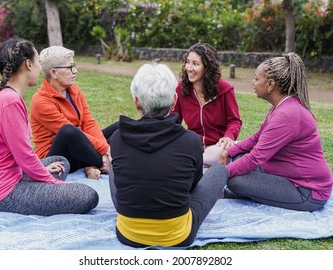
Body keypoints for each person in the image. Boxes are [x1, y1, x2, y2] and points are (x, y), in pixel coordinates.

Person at [109, 63, 228, 248]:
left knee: (114, 165)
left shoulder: (117, 138)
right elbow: (193, 186)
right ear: (174, 101)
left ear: (136, 102)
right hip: (177, 235)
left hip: (128, 233)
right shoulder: (191, 141)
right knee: (220, 170)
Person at [0, 38, 99, 216]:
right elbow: (24, 155)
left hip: (8, 174)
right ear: (28, 64)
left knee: (61, 163)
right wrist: (56, 184)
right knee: (88, 195)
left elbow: (21, 156)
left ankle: (40, 182)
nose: (40, 69)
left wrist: (42, 170)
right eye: (38, 62)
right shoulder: (9, 101)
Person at [219, 52, 333, 212]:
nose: (253, 82)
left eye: (257, 79)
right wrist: (229, 152)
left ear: (271, 84)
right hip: (287, 176)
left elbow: (256, 157)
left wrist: (219, 174)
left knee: (235, 180)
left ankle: (243, 191)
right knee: (237, 159)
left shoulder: (288, 114)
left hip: (307, 191)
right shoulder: (281, 107)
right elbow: (257, 138)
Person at [30, 46, 118, 179]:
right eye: (70, 67)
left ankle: (93, 163)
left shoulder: (74, 90)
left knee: (120, 126)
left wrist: (105, 148)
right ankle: (101, 163)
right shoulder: (41, 101)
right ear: (54, 73)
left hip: (82, 147)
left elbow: (89, 123)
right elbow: (71, 135)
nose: (75, 71)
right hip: (58, 157)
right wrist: (104, 153)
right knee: (68, 131)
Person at [171, 43, 242, 167]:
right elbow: (174, 120)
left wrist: (228, 137)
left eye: (195, 64)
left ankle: (198, 163)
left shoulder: (225, 89)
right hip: (193, 146)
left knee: (225, 152)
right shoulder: (181, 88)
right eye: (187, 62)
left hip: (217, 147)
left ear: (207, 67)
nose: (189, 68)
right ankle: (202, 164)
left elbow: (234, 120)